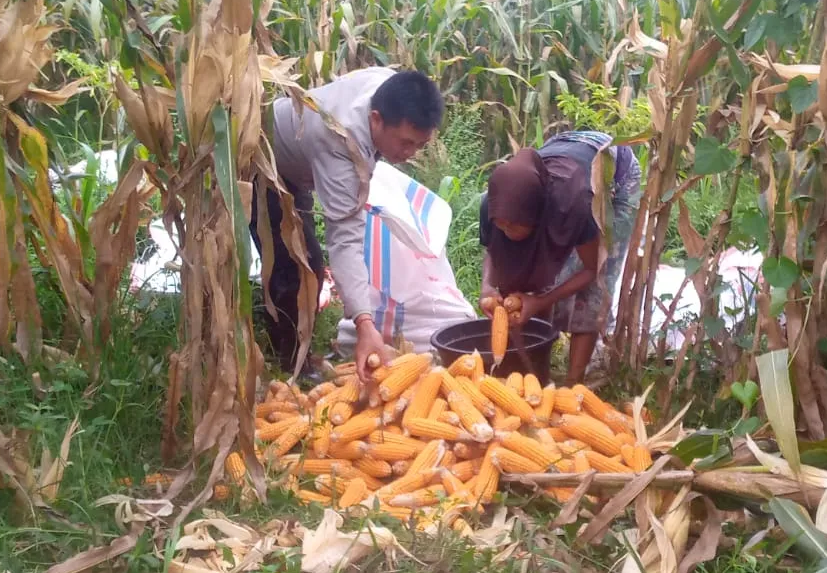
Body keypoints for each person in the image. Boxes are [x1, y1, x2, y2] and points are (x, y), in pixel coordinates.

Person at [257, 67, 444, 382]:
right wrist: (364, 324)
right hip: (262, 163)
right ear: (375, 120)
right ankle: (289, 364)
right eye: (405, 143)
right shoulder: (340, 142)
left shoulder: (390, 85)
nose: (410, 154)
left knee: (308, 267)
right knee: (298, 268)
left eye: (420, 145)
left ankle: (297, 346)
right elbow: (344, 240)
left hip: (299, 163)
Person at [478, 130, 642, 384]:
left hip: (615, 174)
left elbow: (591, 269)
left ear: (537, 215)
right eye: (502, 225)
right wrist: (487, 287)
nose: (506, 230)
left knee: (592, 291)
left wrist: (540, 302)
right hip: (565, 150)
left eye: (514, 225)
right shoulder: (494, 204)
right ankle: (535, 368)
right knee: (535, 279)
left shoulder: (574, 207)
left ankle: (573, 381)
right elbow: (493, 249)